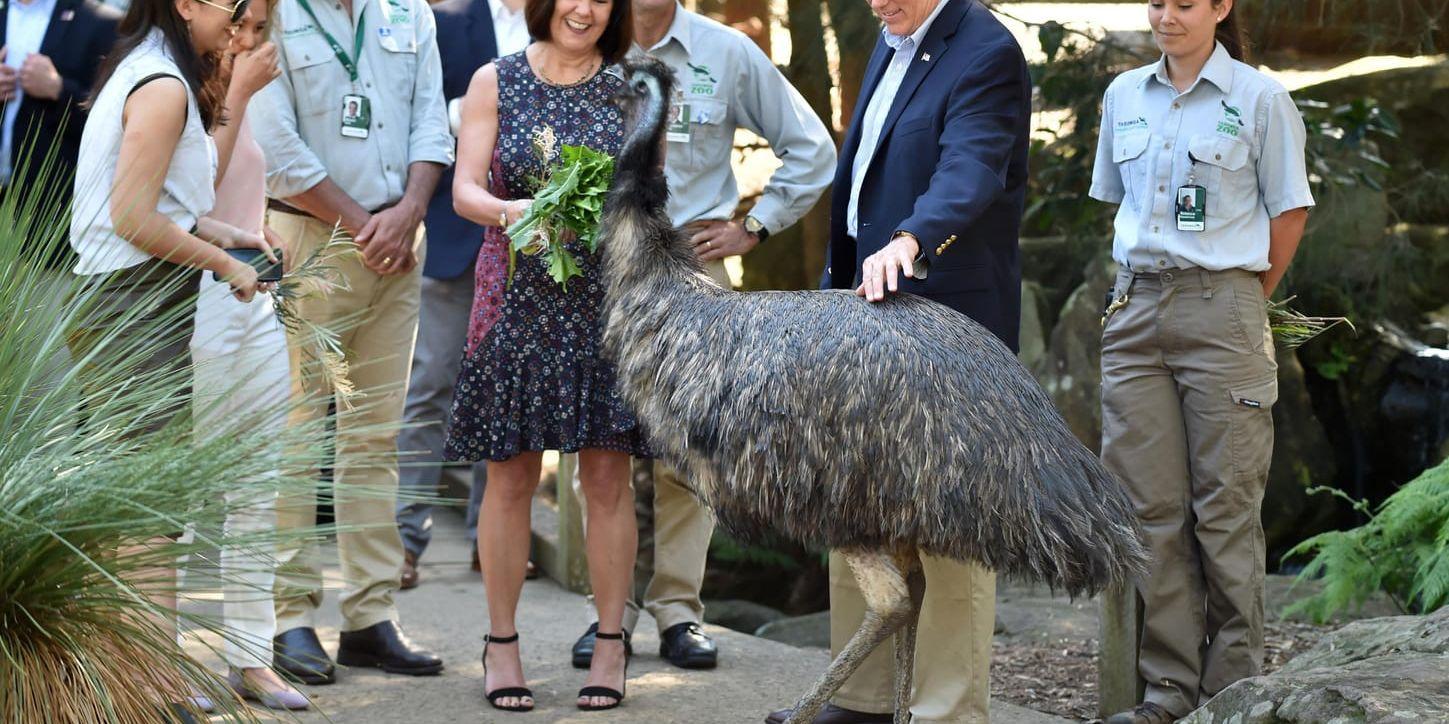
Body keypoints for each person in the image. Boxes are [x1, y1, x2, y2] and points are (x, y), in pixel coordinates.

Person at [766, 0, 1031, 722]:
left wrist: (912, 240)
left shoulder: (985, 51)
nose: (880, 1)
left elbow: (971, 170)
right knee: (858, 497)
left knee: (951, 522)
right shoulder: (893, 37)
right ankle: (861, 700)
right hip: (862, 315)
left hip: (949, 320)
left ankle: (947, 708)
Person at [566, 0, 836, 673]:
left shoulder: (726, 52)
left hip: (693, 269)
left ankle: (679, 612)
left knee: (689, 452)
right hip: (605, 272)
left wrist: (756, 225)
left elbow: (811, 147)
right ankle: (609, 615)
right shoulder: (588, 41)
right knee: (601, 449)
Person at [1088, 1, 1312, 722]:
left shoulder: (1259, 98)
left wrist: (1239, 298)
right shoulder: (1123, 95)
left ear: (1220, 8)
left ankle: (1229, 696)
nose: (1166, 15)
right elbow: (1118, 203)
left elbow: (1289, 212)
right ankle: (1166, 692)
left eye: (1184, 2)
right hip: (1133, 313)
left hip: (1222, 310)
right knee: (1148, 512)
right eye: (1155, 2)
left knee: (1224, 512)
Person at [68, 0, 272, 717]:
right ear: (186, 3)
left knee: (146, 511)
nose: (240, 30)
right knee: (147, 519)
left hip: (132, 298)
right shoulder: (162, 85)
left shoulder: (150, 68)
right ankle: (148, 686)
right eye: (233, 11)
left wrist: (228, 230)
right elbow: (130, 218)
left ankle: (142, 676)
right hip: (131, 305)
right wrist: (225, 260)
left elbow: (160, 205)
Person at [447, 0, 644, 712]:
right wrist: (514, 212)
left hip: (607, 304)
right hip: (515, 298)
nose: (583, 8)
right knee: (508, 479)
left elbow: (650, 193)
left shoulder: (634, 84)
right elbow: (465, 189)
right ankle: (501, 644)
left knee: (604, 479)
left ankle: (612, 640)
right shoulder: (494, 80)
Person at [249, 0, 452, 686]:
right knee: (300, 433)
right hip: (311, 242)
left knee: (374, 435)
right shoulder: (270, 13)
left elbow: (432, 118)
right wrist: (370, 226)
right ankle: (289, 617)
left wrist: (410, 213)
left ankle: (369, 617)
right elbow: (275, 147)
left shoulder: (409, 11)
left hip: (399, 244)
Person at [186, 0, 310, 710]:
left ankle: (251, 657)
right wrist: (235, 90)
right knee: (186, 490)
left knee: (260, 479)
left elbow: (237, 188)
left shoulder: (250, 89)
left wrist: (260, 225)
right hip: (193, 292)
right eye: (240, 25)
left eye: (261, 27)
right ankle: (166, 661)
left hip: (252, 290)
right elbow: (187, 192)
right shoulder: (177, 83)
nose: (249, 39)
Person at [394, 0, 530, 591]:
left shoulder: (566, 22)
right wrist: (479, 112)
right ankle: (402, 540)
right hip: (454, 235)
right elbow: (421, 113)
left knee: (509, 393)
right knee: (429, 386)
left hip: (536, 245)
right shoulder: (446, 20)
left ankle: (490, 539)